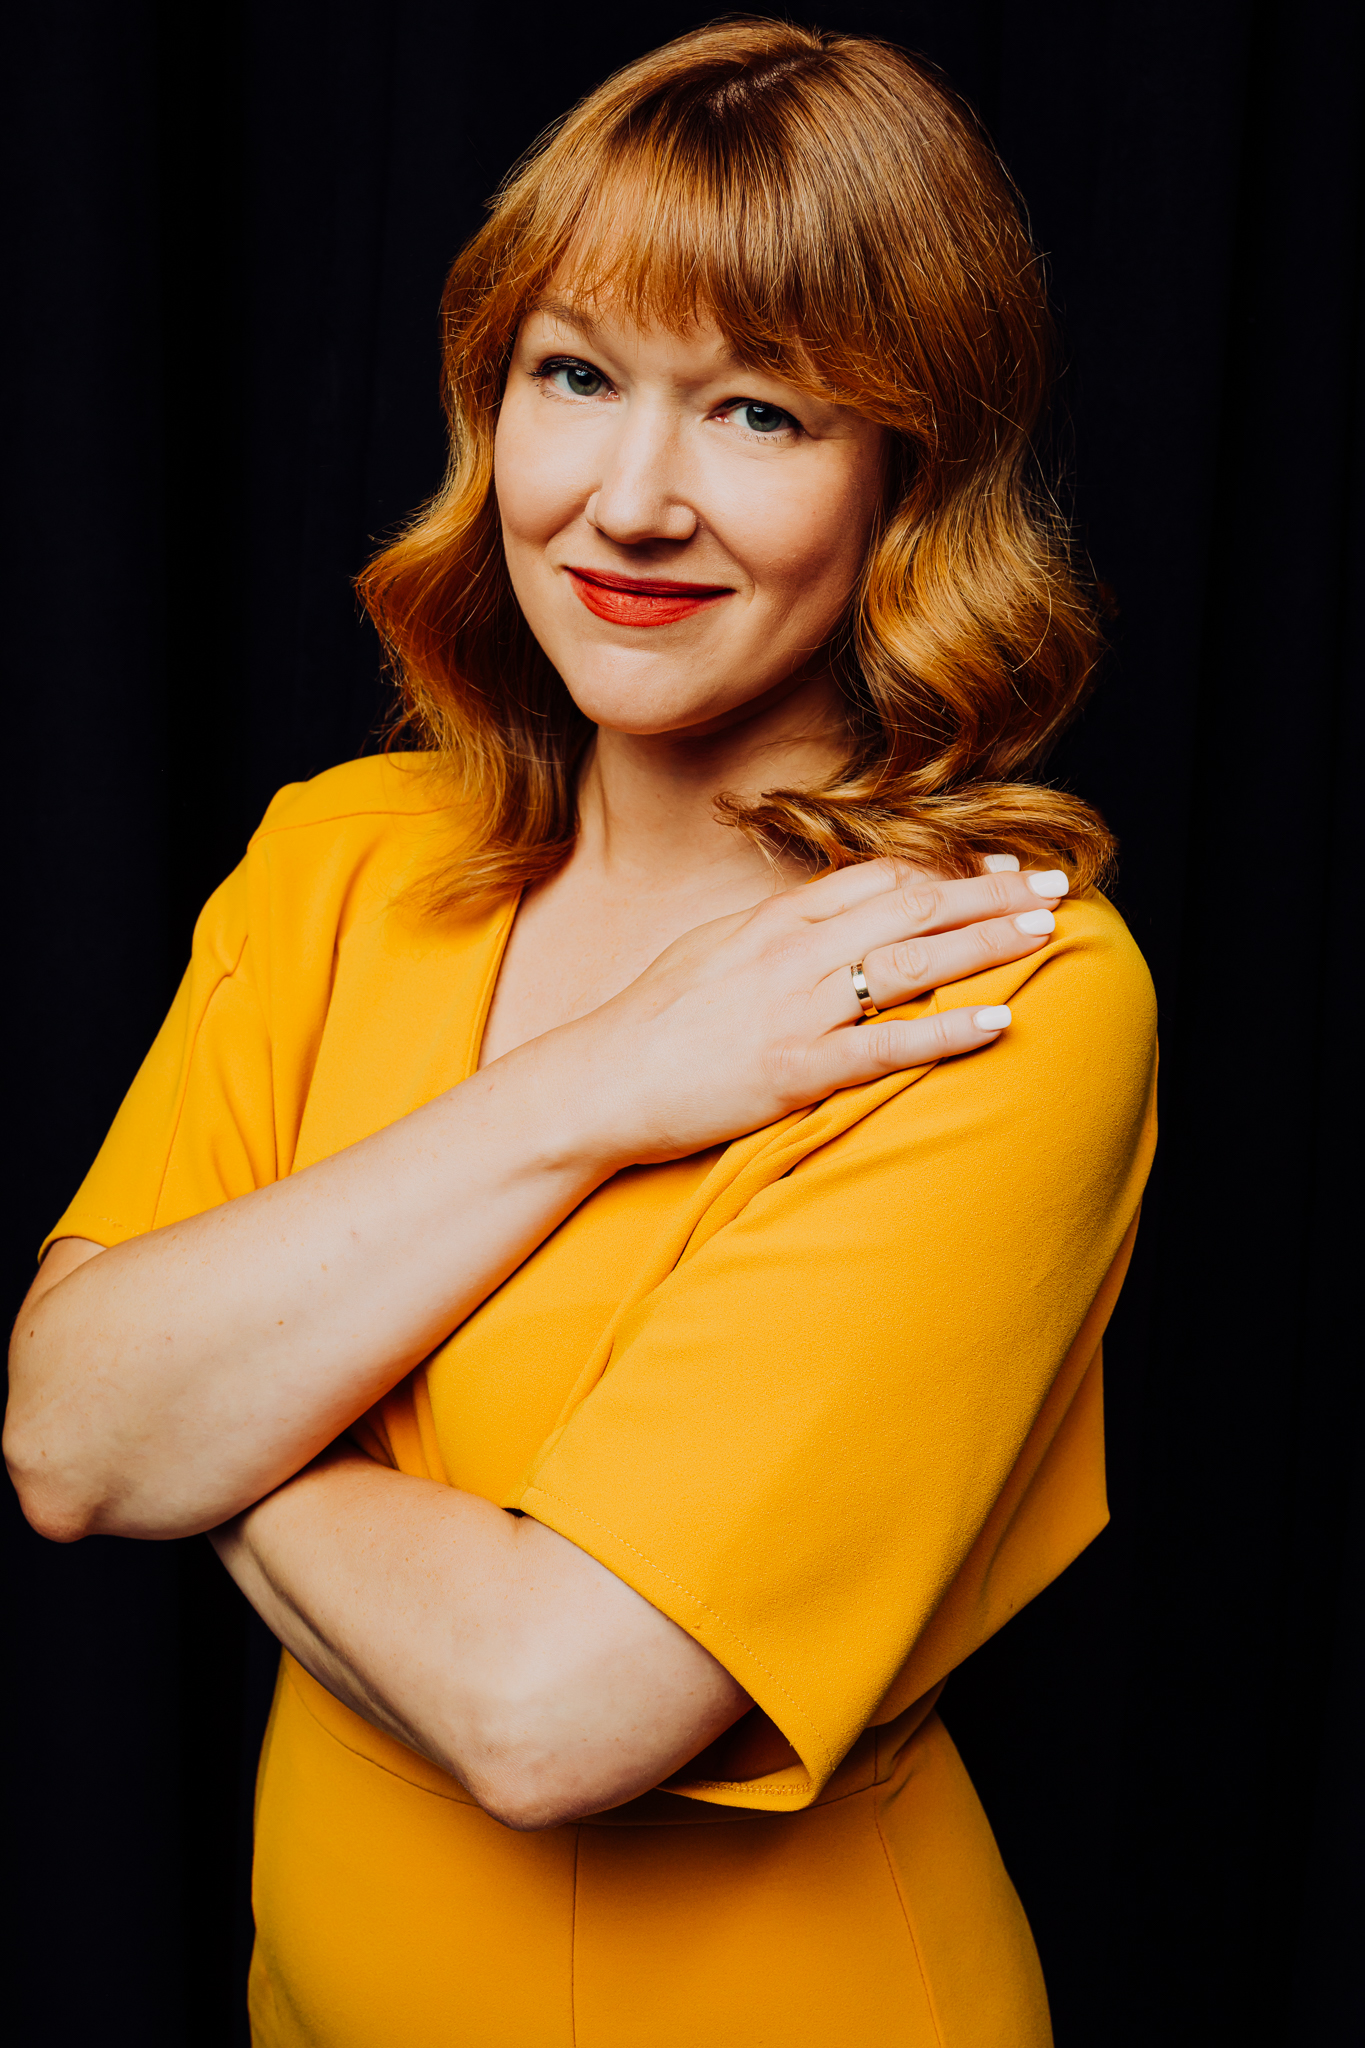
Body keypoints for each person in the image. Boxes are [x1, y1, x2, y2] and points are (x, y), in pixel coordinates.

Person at [6, 21, 1156, 2047]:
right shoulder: (346, 858)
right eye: (575, 376)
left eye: (758, 411)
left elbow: (552, 1708)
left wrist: (219, 1414)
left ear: (906, 473)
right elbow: (61, 1432)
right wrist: (603, 1084)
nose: (629, 501)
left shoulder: (998, 989)